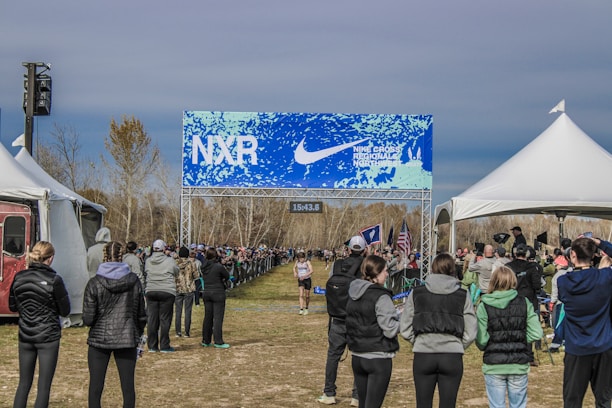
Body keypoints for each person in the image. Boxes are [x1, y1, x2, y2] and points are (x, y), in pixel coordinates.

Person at [400, 253, 477, 408]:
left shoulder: (417, 292)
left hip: (423, 354)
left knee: (422, 403)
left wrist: (418, 341)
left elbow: (405, 326)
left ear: (433, 268)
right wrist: (458, 344)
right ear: (452, 270)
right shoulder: (463, 294)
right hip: (452, 355)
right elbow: (471, 329)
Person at [82, 241, 147, 408]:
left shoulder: (94, 283)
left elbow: (88, 319)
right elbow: (141, 314)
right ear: (122, 256)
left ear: (104, 257)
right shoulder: (134, 281)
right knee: (128, 387)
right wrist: (137, 333)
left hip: (99, 338)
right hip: (127, 336)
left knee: (96, 387)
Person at [9, 241, 71, 408]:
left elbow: (12, 306)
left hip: (26, 334)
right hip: (48, 336)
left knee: (23, 383)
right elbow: (65, 310)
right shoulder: (54, 280)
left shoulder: (19, 277)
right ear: (50, 259)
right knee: (44, 386)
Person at [476, 265, 543, 408]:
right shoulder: (524, 302)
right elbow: (537, 332)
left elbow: (481, 340)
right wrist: (522, 339)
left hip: (494, 364)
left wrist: (486, 344)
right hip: (518, 364)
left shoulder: (484, 305)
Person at [558, 236, 612, 408]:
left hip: (576, 347)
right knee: (603, 400)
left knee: (572, 401)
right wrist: (599, 242)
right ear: (594, 255)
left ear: (572, 255)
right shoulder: (604, 278)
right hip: (603, 345)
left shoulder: (564, 282)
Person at [318, 235, 367, 406]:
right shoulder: (366, 266)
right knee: (359, 357)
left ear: (348, 249)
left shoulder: (337, 264)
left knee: (332, 356)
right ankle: (357, 396)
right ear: (364, 249)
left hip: (337, 317)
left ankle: (329, 393)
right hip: (357, 318)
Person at [346, 255, 400, 408]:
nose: (387, 274)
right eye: (385, 271)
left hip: (357, 355)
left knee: (363, 404)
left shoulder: (354, 293)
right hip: (378, 356)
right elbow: (390, 329)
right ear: (376, 274)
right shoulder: (381, 296)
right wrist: (404, 322)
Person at [506, 244, 542, 366]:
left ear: (515, 254)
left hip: (512, 299)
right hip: (528, 300)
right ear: (526, 254)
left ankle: (514, 353)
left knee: (513, 326)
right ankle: (528, 355)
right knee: (528, 327)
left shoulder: (508, 267)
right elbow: (537, 285)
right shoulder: (532, 267)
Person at [145, 239, 179, 353]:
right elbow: (176, 272)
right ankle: (164, 345)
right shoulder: (170, 261)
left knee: (152, 319)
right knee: (165, 319)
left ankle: (152, 346)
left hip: (151, 290)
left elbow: (146, 272)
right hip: (167, 291)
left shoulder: (148, 260)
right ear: (164, 249)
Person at [201, 247, 231, 348]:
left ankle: (206, 340)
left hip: (207, 292)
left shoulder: (203, 267)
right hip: (218, 292)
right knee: (217, 318)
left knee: (208, 317)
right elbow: (226, 276)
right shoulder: (218, 267)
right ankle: (218, 341)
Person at [174, 246, 200, 337]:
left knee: (178, 311)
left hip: (177, 288)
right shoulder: (191, 263)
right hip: (189, 288)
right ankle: (187, 332)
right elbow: (196, 276)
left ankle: (178, 332)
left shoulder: (175, 263)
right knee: (188, 311)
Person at [293, 251, 314, 315]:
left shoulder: (307, 262)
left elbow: (312, 271)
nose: (301, 260)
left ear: (304, 258)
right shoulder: (297, 262)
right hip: (300, 280)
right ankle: (301, 309)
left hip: (307, 279)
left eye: (302, 258)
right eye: (299, 258)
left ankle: (306, 308)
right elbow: (294, 267)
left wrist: (305, 276)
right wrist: (295, 272)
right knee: (301, 295)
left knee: (307, 295)